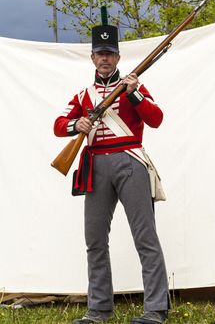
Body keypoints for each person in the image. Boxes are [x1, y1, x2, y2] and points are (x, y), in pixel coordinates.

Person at [53, 22, 170, 324]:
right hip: (95, 166)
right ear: (92, 58)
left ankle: (155, 309)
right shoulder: (84, 95)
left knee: (145, 238)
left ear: (117, 57)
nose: (104, 59)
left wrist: (134, 95)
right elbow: (58, 124)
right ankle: (98, 309)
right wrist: (74, 125)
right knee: (95, 240)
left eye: (110, 53)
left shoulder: (134, 87)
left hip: (130, 161)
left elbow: (156, 119)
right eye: (99, 54)